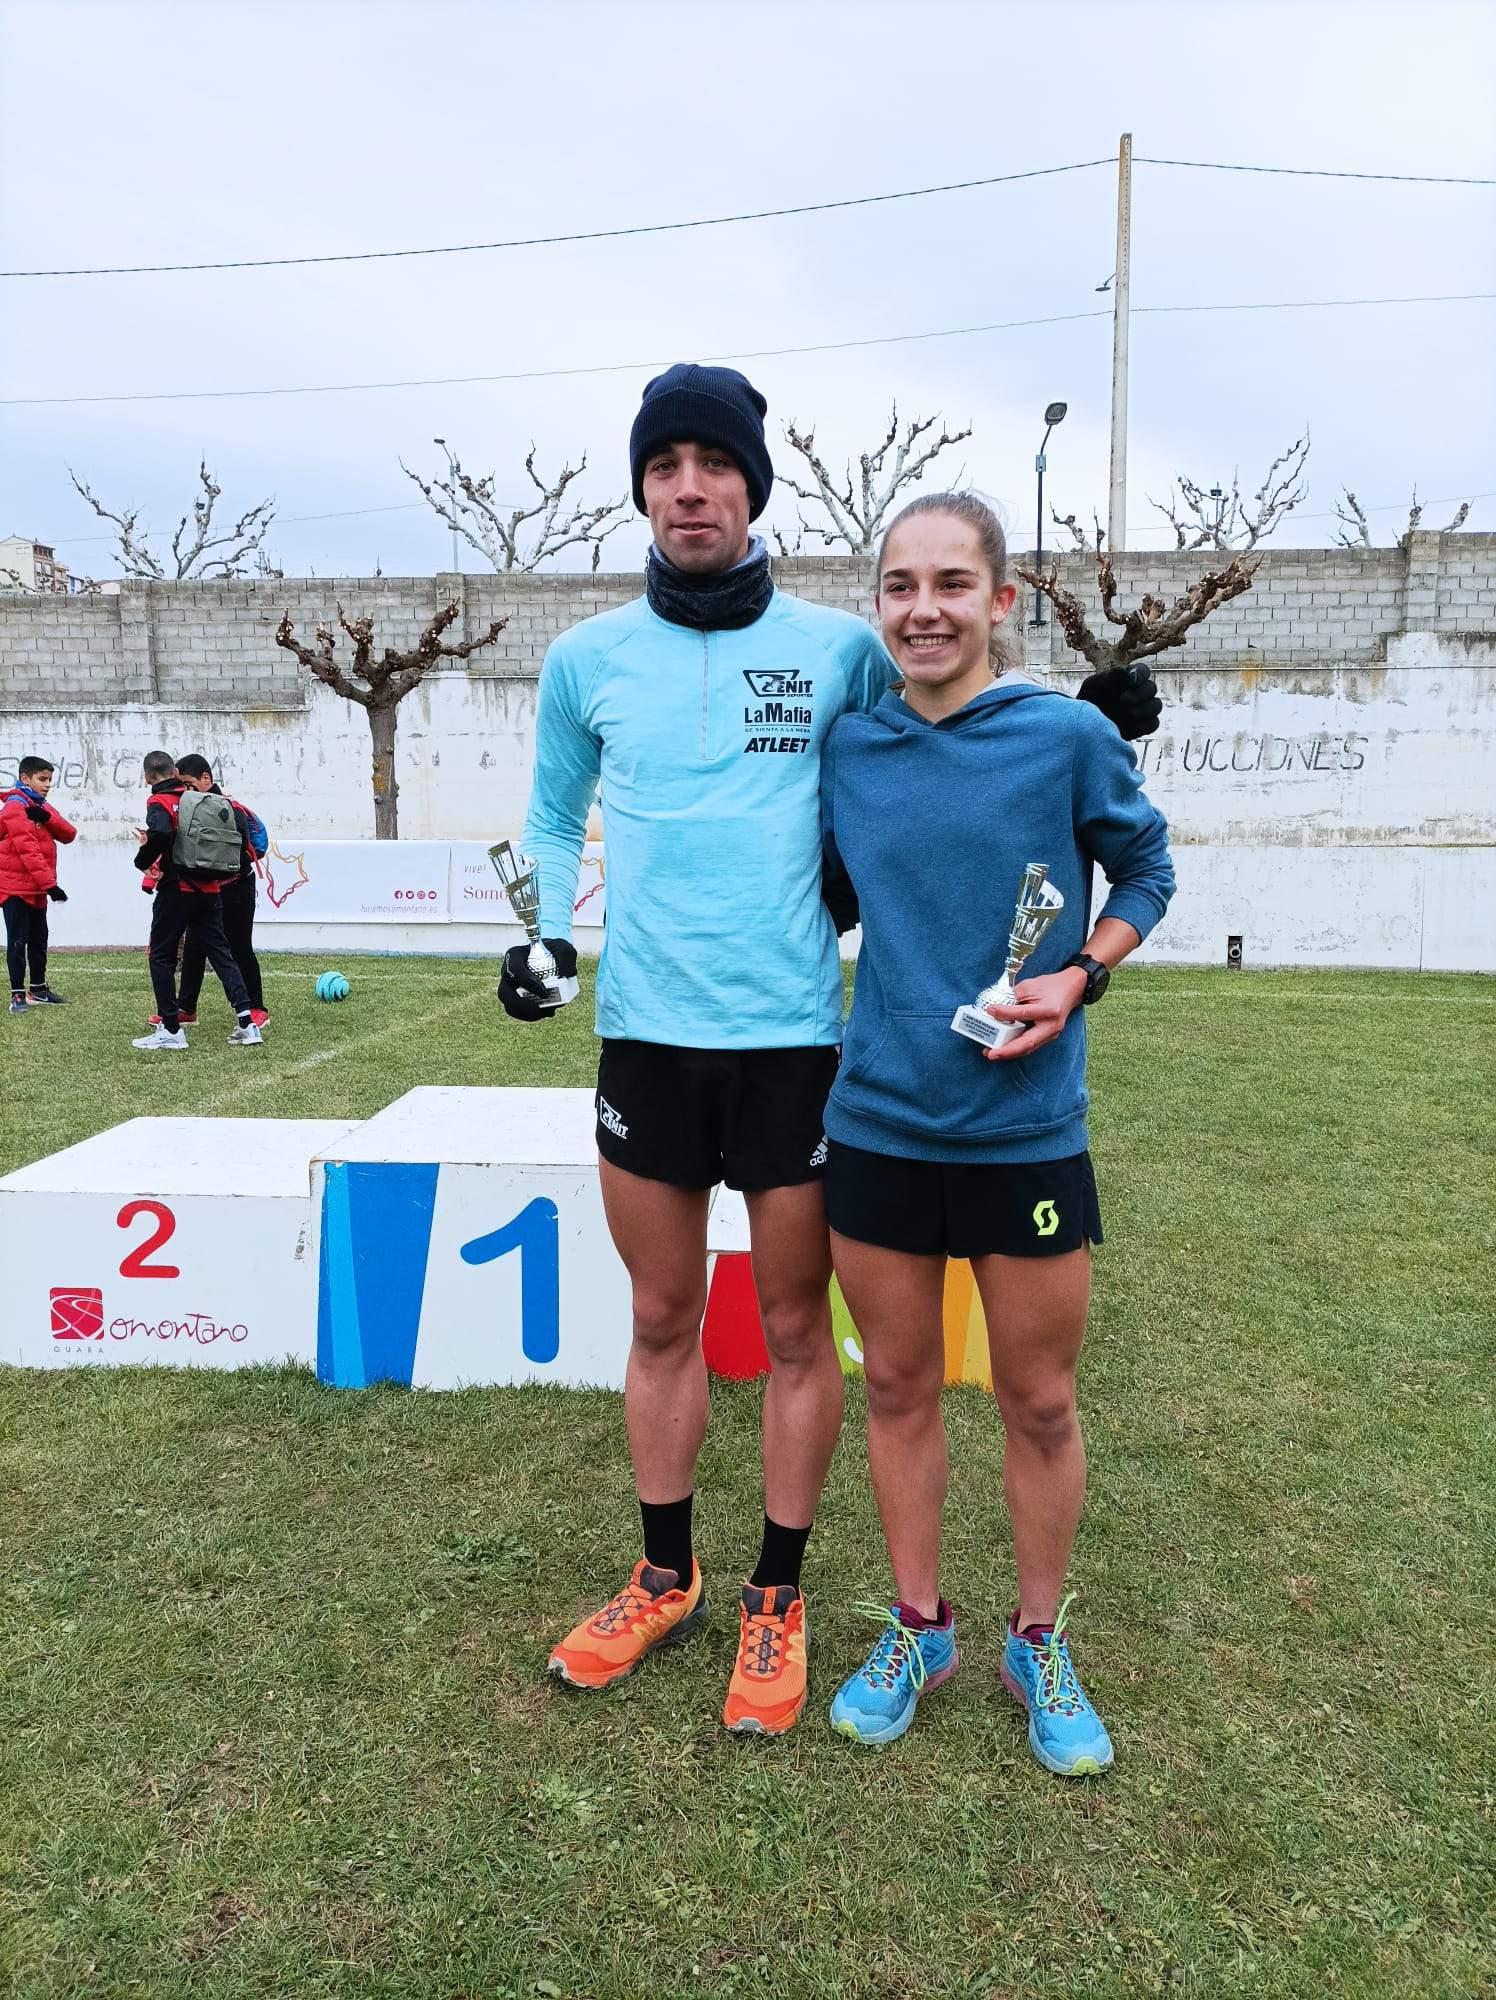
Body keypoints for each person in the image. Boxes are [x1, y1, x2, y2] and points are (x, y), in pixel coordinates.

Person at [505, 364, 1162, 1737]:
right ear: (641, 486)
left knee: (806, 1334)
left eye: (716, 462)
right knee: (663, 1320)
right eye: (665, 462)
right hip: (645, 1044)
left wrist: (1073, 735)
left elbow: (959, 708)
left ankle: (782, 1596)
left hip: (808, 1049)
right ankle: (664, 1573)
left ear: (753, 485)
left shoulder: (839, 647)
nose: (691, 485)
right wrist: (542, 939)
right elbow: (553, 814)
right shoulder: (587, 661)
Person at [818, 491, 1175, 1772]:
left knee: (1035, 1398)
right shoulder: (847, 748)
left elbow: (1146, 869)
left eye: (951, 584)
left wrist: (1078, 971)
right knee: (901, 1386)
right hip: (876, 1125)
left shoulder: (1064, 737)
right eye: (899, 585)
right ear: (879, 604)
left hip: (1025, 1129)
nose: (923, 609)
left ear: (998, 600)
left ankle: (1037, 1635)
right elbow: (829, 896)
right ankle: (919, 1624)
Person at [131, 750, 262, 1051]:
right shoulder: (200, 799)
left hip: (177, 890)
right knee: (221, 954)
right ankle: (247, 1022)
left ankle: (171, 1029)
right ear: (175, 773)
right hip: (210, 889)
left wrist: (142, 859)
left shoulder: (159, 801)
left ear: (148, 777)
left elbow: (162, 833)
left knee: (161, 956)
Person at [165, 754, 269, 1030]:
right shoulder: (186, 809)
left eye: (188, 784)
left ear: (206, 779)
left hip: (237, 888)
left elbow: (242, 850)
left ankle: (257, 1008)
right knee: (194, 946)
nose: (185, 791)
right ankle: (186, 1008)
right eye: (181, 786)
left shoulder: (228, 808)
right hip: (203, 889)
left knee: (239, 946)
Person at [1, 755, 76, 1013]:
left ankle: (39, 989)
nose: (47, 785)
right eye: (42, 779)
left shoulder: (39, 805)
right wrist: (51, 885)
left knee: (39, 939)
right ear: (25, 779)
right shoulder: (14, 807)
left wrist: (45, 817)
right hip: (14, 888)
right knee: (17, 941)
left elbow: (69, 834)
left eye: (49, 780)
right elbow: (27, 850)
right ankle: (17, 995)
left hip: (36, 888)